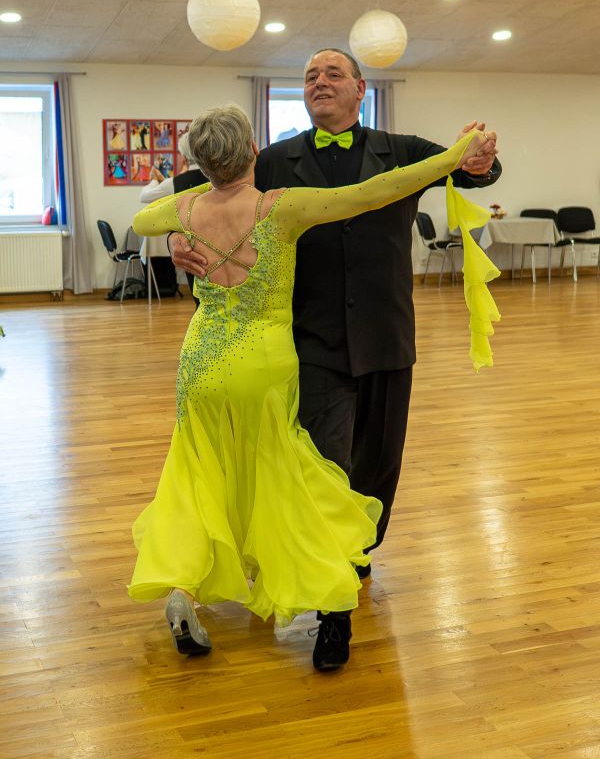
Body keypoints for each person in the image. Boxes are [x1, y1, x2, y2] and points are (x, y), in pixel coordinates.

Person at [129, 103, 494, 671]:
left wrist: (184, 227)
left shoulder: (183, 208)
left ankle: (181, 586)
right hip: (263, 363)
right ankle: (331, 598)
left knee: (196, 474)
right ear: (254, 151)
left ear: (200, 161)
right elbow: (372, 193)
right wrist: (451, 158)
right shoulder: (282, 207)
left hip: (199, 362)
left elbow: (142, 222)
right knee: (289, 477)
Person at [168, 48, 502, 578]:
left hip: (386, 332)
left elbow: (470, 171)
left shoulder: (402, 151)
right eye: (310, 76)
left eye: (332, 73)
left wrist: (480, 159)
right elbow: (198, 192)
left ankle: (361, 548)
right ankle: (329, 564)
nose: (319, 81)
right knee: (324, 457)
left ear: (360, 89)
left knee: (380, 457)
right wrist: (175, 237)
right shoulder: (274, 159)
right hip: (312, 336)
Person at [139, 133, 205, 303]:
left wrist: (155, 180)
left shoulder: (175, 183)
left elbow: (144, 196)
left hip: (190, 246)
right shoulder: (218, 178)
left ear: (184, 157)